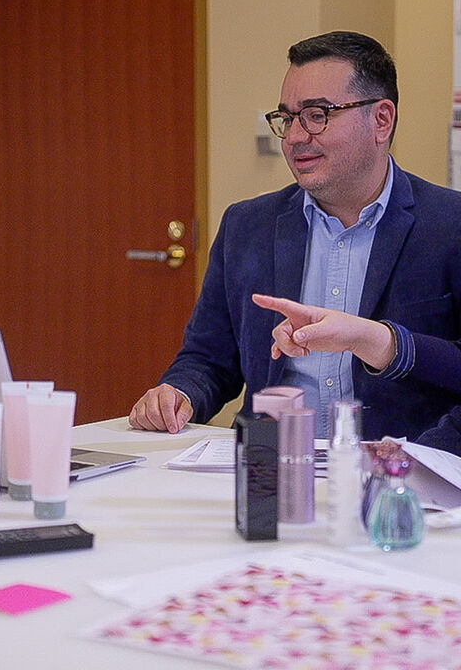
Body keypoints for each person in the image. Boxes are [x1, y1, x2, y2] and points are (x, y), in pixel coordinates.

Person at [129, 30, 461, 444]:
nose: (295, 137)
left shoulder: (450, 225)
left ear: (381, 120)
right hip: (268, 474)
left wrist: (387, 344)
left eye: (318, 114)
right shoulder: (247, 226)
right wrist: (179, 393)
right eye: (287, 118)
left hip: (398, 477)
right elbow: (208, 359)